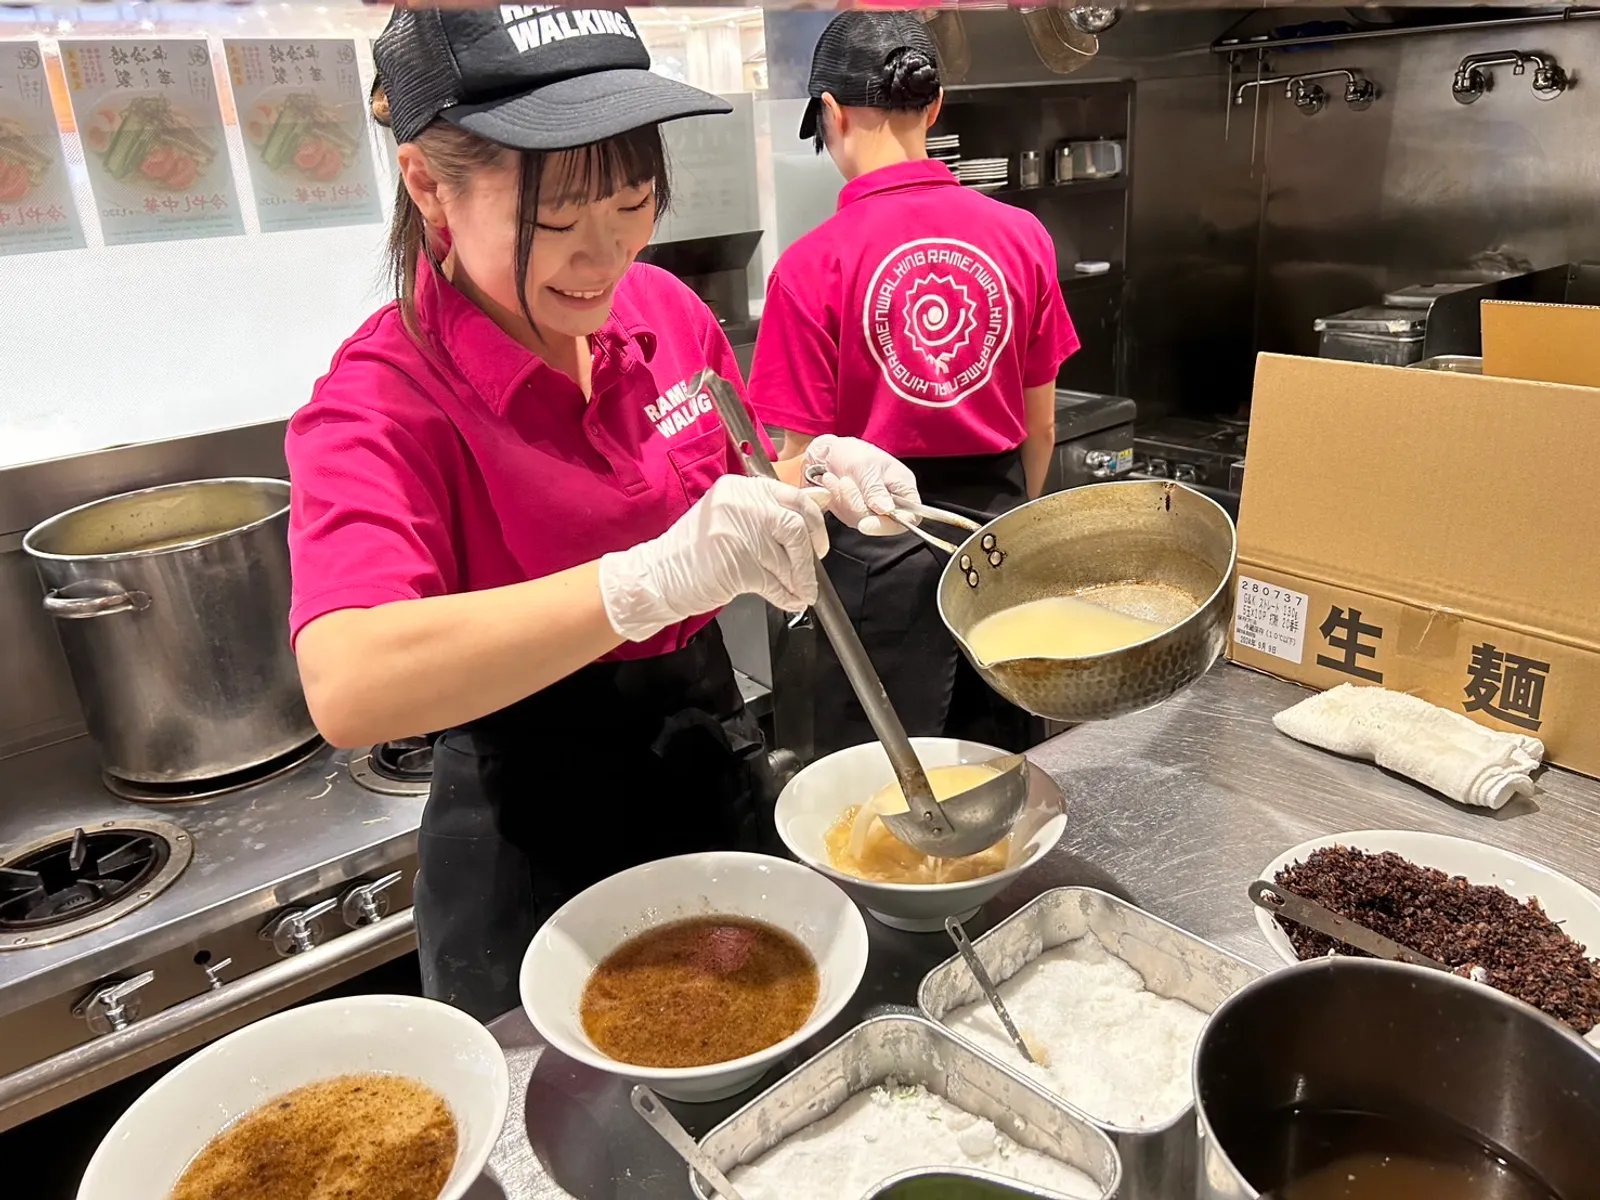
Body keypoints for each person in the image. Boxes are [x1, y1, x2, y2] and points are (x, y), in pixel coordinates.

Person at [286, 6, 919, 1022]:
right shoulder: (382, 397)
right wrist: (641, 583)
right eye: (557, 221)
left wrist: (819, 476)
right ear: (426, 184)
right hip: (530, 820)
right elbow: (348, 683)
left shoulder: (660, 311)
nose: (604, 256)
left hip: (704, 763)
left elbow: (745, 470)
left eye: (631, 206)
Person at [748, 11, 1081, 761]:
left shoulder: (809, 266)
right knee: (1002, 777)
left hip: (874, 569)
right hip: (995, 547)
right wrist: (1000, 519)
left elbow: (796, 469)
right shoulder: (1023, 236)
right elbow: (1044, 429)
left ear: (830, 113)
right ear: (933, 107)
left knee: (883, 798)